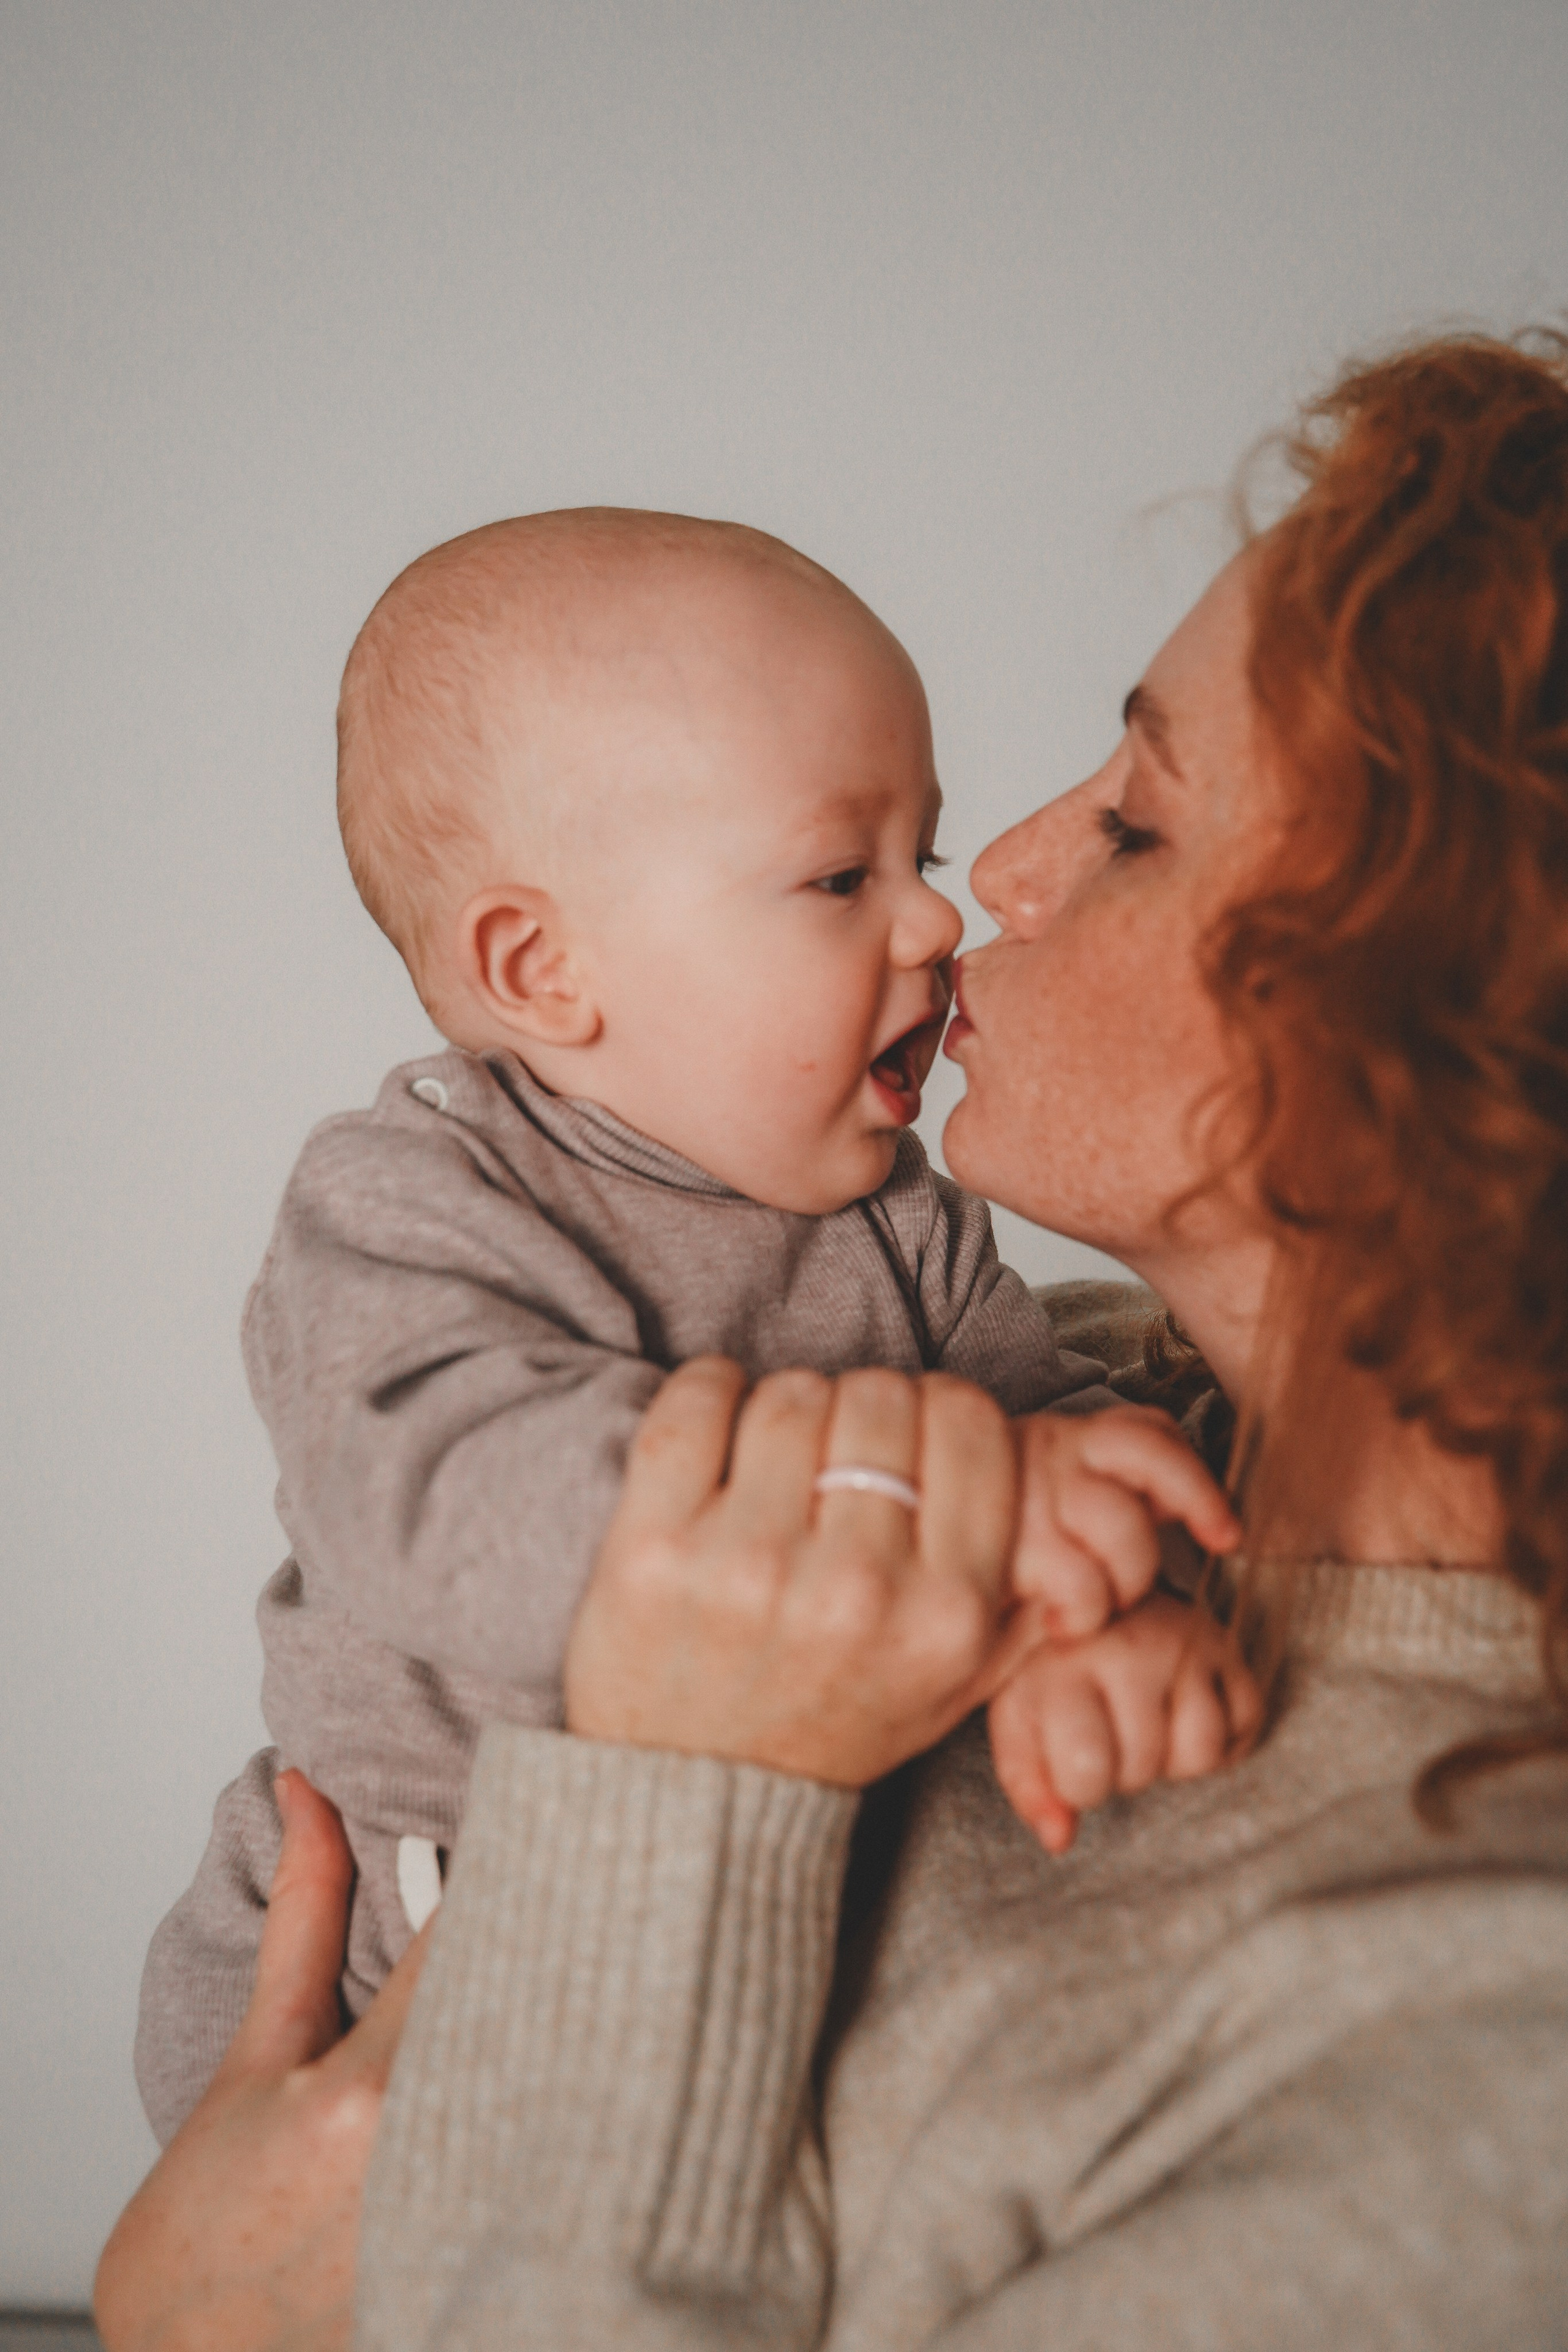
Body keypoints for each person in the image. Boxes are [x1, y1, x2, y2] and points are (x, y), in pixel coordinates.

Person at [97, 330, 1568, 2351]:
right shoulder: (451, 1195)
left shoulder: (1477, 2017)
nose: (987, 896)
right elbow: (423, 1474)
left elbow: (1005, 1449)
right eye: (847, 871)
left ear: (1433, 1034)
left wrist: (207, 2312)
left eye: (1136, 822)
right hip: (375, 1891)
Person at [135, 509, 1251, 2146]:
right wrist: (934, 1516)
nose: (938, 925)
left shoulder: (902, 1219)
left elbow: (1055, 1433)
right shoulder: (418, 1198)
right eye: (840, 875)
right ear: (542, 967)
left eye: (919, 862)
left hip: (771, 1909)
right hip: (416, 1917)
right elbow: (439, 1497)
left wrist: (1116, 1600)